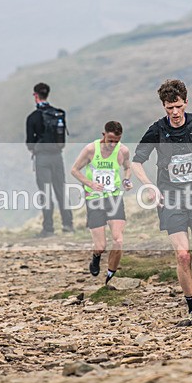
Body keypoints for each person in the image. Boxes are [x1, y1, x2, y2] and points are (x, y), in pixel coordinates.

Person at [131, 79, 192, 325]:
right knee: (182, 255)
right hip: (170, 199)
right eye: (168, 108)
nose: (174, 113)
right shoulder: (157, 130)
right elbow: (136, 162)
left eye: (177, 106)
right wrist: (150, 186)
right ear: (163, 106)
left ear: (185, 102)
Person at [70, 121, 133, 285]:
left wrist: (126, 181)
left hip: (113, 198)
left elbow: (127, 167)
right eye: (110, 140)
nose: (113, 144)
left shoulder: (123, 151)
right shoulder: (91, 150)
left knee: (118, 240)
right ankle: (96, 257)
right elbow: (74, 170)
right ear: (103, 135)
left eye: (117, 141)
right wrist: (90, 184)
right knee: (101, 246)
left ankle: (111, 276)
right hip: (95, 199)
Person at [26, 82, 74, 236]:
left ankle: (48, 228)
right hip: (57, 157)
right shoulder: (58, 114)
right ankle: (68, 225)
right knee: (61, 191)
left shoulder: (33, 118)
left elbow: (29, 142)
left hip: (42, 159)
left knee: (45, 193)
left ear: (35, 95)